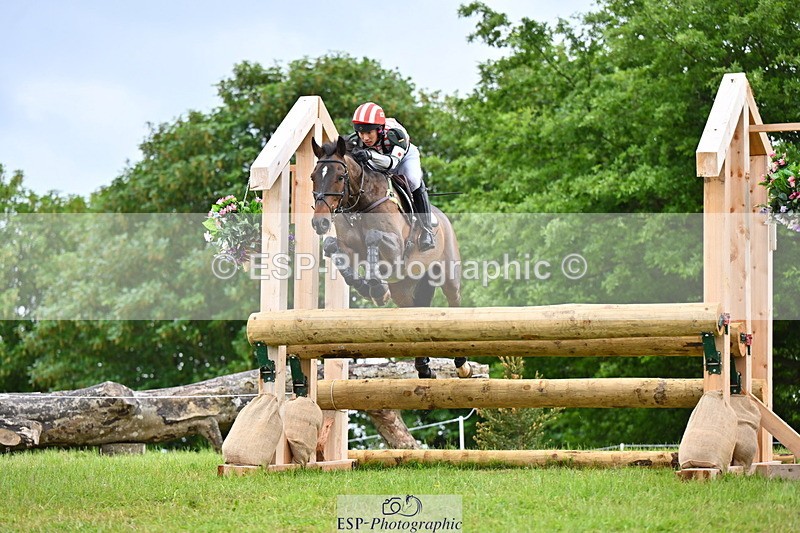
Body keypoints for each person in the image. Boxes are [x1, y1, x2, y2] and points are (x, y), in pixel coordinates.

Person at [348, 102, 436, 251]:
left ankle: (426, 229)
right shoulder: (357, 140)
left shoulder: (395, 134)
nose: (365, 138)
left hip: (403, 158)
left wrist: (369, 154)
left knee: (413, 181)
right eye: (361, 133)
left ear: (380, 129)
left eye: (369, 133)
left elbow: (392, 165)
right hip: (378, 158)